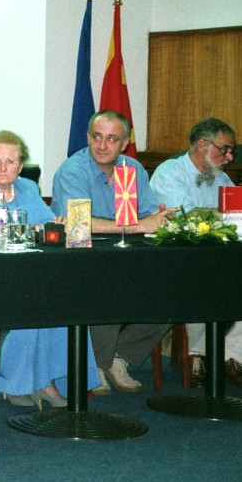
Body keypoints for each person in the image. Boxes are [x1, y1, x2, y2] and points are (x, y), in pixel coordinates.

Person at [0, 130, 103, 407]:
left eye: (11, 161)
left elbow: (46, 224)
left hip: (28, 272)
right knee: (34, 301)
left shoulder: (28, 187)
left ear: (21, 165)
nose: (3, 168)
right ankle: (26, 383)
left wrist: (57, 224)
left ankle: (57, 380)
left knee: (66, 297)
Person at [50, 110, 175, 394]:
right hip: (81, 261)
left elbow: (150, 215)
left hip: (127, 258)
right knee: (110, 287)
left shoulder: (133, 169)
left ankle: (118, 357)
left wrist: (161, 219)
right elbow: (78, 223)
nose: (102, 145)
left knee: (173, 293)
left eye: (111, 139)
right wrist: (138, 225)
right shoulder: (72, 170)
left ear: (125, 143)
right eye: (97, 137)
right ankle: (95, 362)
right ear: (87, 137)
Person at [150, 117, 242, 389]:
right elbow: (186, 217)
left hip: (221, 260)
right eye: (225, 149)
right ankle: (198, 355)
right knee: (201, 278)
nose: (230, 157)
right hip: (177, 263)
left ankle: (233, 355)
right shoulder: (169, 172)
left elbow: (238, 221)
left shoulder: (221, 177)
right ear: (203, 145)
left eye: (231, 151)